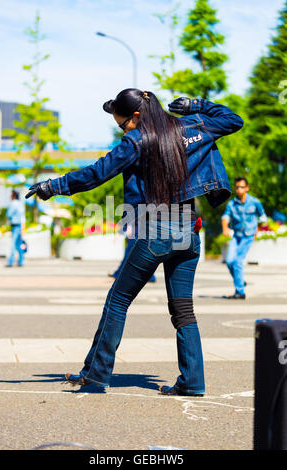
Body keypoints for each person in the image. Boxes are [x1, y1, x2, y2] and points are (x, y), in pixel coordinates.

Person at [25, 89, 244, 396]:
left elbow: (97, 173)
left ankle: (96, 375)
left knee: (118, 300)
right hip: (189, 231)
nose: (122, 130)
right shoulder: (195, 126)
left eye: (122, 124)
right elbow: (233, 120)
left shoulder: (137, 140)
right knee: (183, 310)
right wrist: (197, 105)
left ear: (137, 116)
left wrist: (54, 185)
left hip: (157, 229)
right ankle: (192, 382)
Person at [221, 177, 267, 299]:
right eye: (237, 187)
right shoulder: (231, 204)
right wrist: (225, 228)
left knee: (237, 262)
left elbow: (263, 218)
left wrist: (257, 229)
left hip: (248, 236)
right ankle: (240, 280)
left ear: (247, 188)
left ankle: (240, 292)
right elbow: (225, 216)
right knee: (229, 261)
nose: (239, 189)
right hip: (236, 236)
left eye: (242, 187)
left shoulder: (255, 202)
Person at [6, 189, 25, 267]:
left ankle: (10, 262)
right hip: (20, 225)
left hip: (14, 225)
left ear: (13, 195)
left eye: (11, 194)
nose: (10, 196)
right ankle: (21, 261)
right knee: (18, 244)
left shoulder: (13, 204)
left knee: (13, 244)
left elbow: (9, 214)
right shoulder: (20, 204)